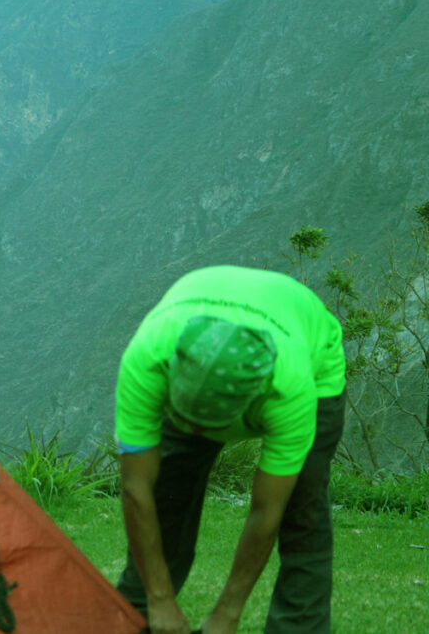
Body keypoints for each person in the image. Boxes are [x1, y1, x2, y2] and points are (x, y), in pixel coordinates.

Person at [114, 265, 346, 634]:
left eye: (204, 424)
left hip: (310, 352)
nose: (192, 432)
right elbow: (135, 487)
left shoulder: (289, 390)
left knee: (302, 511)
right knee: (166, 497)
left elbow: (267, 510)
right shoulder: (148, 358)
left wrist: (227, 613)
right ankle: (137, 615)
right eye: (183, 417)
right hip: (201, 312)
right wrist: (159, 599)